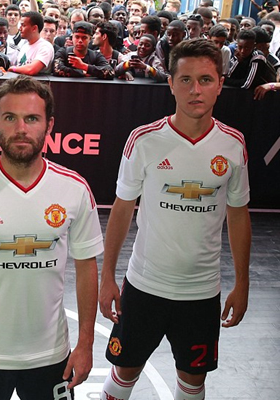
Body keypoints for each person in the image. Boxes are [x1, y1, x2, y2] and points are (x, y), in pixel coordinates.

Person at [99, 39, 251, 400]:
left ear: (220, 84)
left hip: (201, 293)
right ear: (170, 83)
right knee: (124, 372)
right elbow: (122, 209)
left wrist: (242, 283)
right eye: (185, 79)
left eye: (205, 80)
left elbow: (238, 214)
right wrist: (107, 276)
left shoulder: (233, 144)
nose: (195, 90)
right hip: (144, 286)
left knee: (193, 382)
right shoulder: (144, 140)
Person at [0, 75, 102, 400]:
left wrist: (85, 345)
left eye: (32, 118)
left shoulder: (74, 189)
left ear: (49, 125)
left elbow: (86, 270)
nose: (21, 129)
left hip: (52, 356)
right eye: (10, 118)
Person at [7, 11, 54, 75]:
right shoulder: (24, 46)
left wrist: (13, 69)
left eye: (23, 25)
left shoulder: (45, 47)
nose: (20, 28)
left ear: (34, 28)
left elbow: (31, 70)